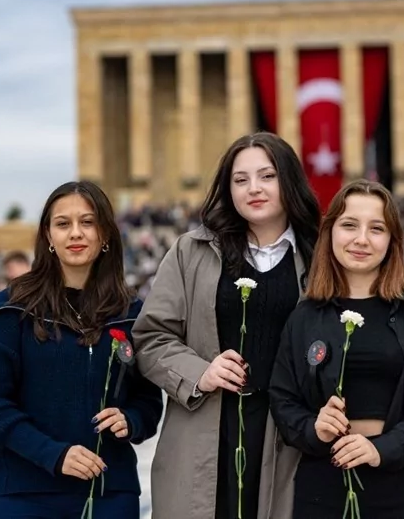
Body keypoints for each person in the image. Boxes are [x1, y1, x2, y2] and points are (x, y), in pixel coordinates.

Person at [134, 132, 321, 519]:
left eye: (267, 176)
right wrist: (202, 372)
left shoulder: (320, 255)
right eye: (240, 179)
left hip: (289, 435)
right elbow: (151, 336)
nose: (254, 188)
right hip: (205, 427)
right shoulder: (193, 250)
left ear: (289, 180)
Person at [0, 181, 163, 518]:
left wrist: (130, 419)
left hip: (109, 492)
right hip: (27, 494)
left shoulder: (130, 312)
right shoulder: (12, 310)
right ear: (48, 236)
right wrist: (53, 454)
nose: (76, 233)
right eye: (63, 223)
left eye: (88, 222)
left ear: (105, 234)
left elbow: (147, 401)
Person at [269, 180, 404, 519]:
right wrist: (314, 427)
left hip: (401, 484)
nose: (361, 239)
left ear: (392, 240)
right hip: (323, 483)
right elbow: (283, 399)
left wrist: (380, 449)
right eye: (349, 225)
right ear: (330, 233)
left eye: (377, 228)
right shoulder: (304, 316)